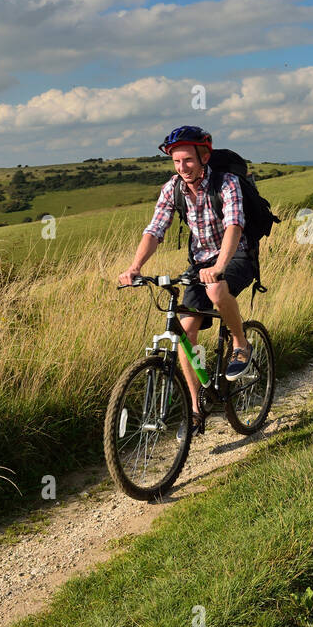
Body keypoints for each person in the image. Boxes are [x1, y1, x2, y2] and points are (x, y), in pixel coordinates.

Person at [118, 126, 256, 432]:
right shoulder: (172, 189)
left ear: (204, 156)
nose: (183, 168)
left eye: (189, 160)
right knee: (184, 331)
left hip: (236, 256)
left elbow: (234, 225)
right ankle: (196, 408)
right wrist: (135, 266)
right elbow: (155, 230)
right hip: (200, 264)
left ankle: (240, 343)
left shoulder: (227, 183)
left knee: (217, 289)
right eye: (177, 162)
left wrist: (220, 265)